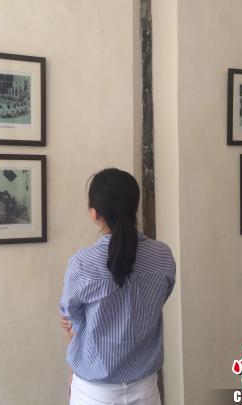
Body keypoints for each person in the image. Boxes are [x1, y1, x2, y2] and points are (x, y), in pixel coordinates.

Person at [59, 168, 176, 405]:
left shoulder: (82, 263)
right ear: (135, 207)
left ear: (94, 213)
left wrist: (75, 326)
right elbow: (160, 298)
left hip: (94, 392)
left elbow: (71, 318)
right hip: (145, 389)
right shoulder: (162, 255)